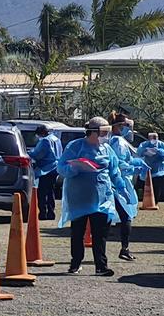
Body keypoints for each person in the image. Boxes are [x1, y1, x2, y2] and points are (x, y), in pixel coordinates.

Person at [57, 116, 132, 276]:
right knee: (78, 232)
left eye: (108, 132)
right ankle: (75, 263)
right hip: (79, 198)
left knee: (100, 233)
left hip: (102, 197)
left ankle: (101, 266)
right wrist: (76, 169)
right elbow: (61, 167)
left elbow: (114, 170)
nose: (106, 135)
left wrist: (121, 187)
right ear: (93, 132)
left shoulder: (107, 149)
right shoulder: (75, 146)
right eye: (104, 132)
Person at [107, 112, 145, 262]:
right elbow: (120, 164)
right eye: (126, 126)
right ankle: (124, 248)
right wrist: (134, 165)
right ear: (120, 126)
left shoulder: (112, 141)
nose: (128, 129)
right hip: (119, 183)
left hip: (115, 183)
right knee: (126, 216)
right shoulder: (118, 142)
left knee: (109, 217)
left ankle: (115, 250)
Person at [28, 125, 63, 220]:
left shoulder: (45, 141)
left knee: (42, 192)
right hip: (55, 168)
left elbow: (38, 154)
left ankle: (43, 213)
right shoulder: (56, 139)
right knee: (51, 191)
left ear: (42, 133)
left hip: (46, 169)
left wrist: (29, 153)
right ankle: (51, 212)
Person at [137, 132, 164, 204]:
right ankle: (147, 200)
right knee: (145, 185)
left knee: (157, 186)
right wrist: (146, 151)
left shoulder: (162, 145)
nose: (153, 140)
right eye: (152, 138)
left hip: (159, 170)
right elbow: (139, 152)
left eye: (155, 138)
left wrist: (159, 151)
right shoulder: (144, 144)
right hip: (148, 168)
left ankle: (155, 201)